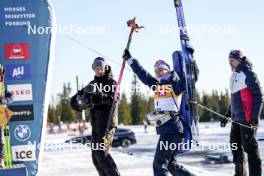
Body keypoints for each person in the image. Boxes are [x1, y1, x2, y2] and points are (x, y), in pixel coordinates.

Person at [123, 49, 198, 176]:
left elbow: (191, 79)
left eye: (161, 69)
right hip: (168, 129)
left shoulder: (175, 84)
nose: (158, 72)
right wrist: (130, 60)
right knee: (171, 165)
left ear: (168, 70)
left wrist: (192, 61)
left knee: (159, 164)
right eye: (156, 70)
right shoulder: (157, 85)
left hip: (172, 129)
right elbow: (143, 75)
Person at [70, 57, 120, 176]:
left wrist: (97, 96)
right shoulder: (91, 85)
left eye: (101, 68)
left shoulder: (112, 83)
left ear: (105, 68)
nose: (99, 70)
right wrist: (81, 102)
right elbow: (73, 101)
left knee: (102, 153)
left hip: (108, 124)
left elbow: (114, 99)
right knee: (96, 158)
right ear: (94, 69)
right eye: (97, 68)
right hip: (96, 125)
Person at [221, 50, 263, 176]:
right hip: (235, 120)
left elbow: (259, 96)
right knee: (235, 148)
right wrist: (227, 115)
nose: (230, 63)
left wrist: (255, 117)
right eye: (229, 60)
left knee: (250, 150)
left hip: (247, 120)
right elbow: (234, 99)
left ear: (239, 60)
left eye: (232, 60)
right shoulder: (233, 76)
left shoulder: (249, 74)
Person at [0, 65, 13, 168]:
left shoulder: (2, 86)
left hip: (0, 116)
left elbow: (11, 97)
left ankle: (1, 160)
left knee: (1, 139)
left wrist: (2, 100)